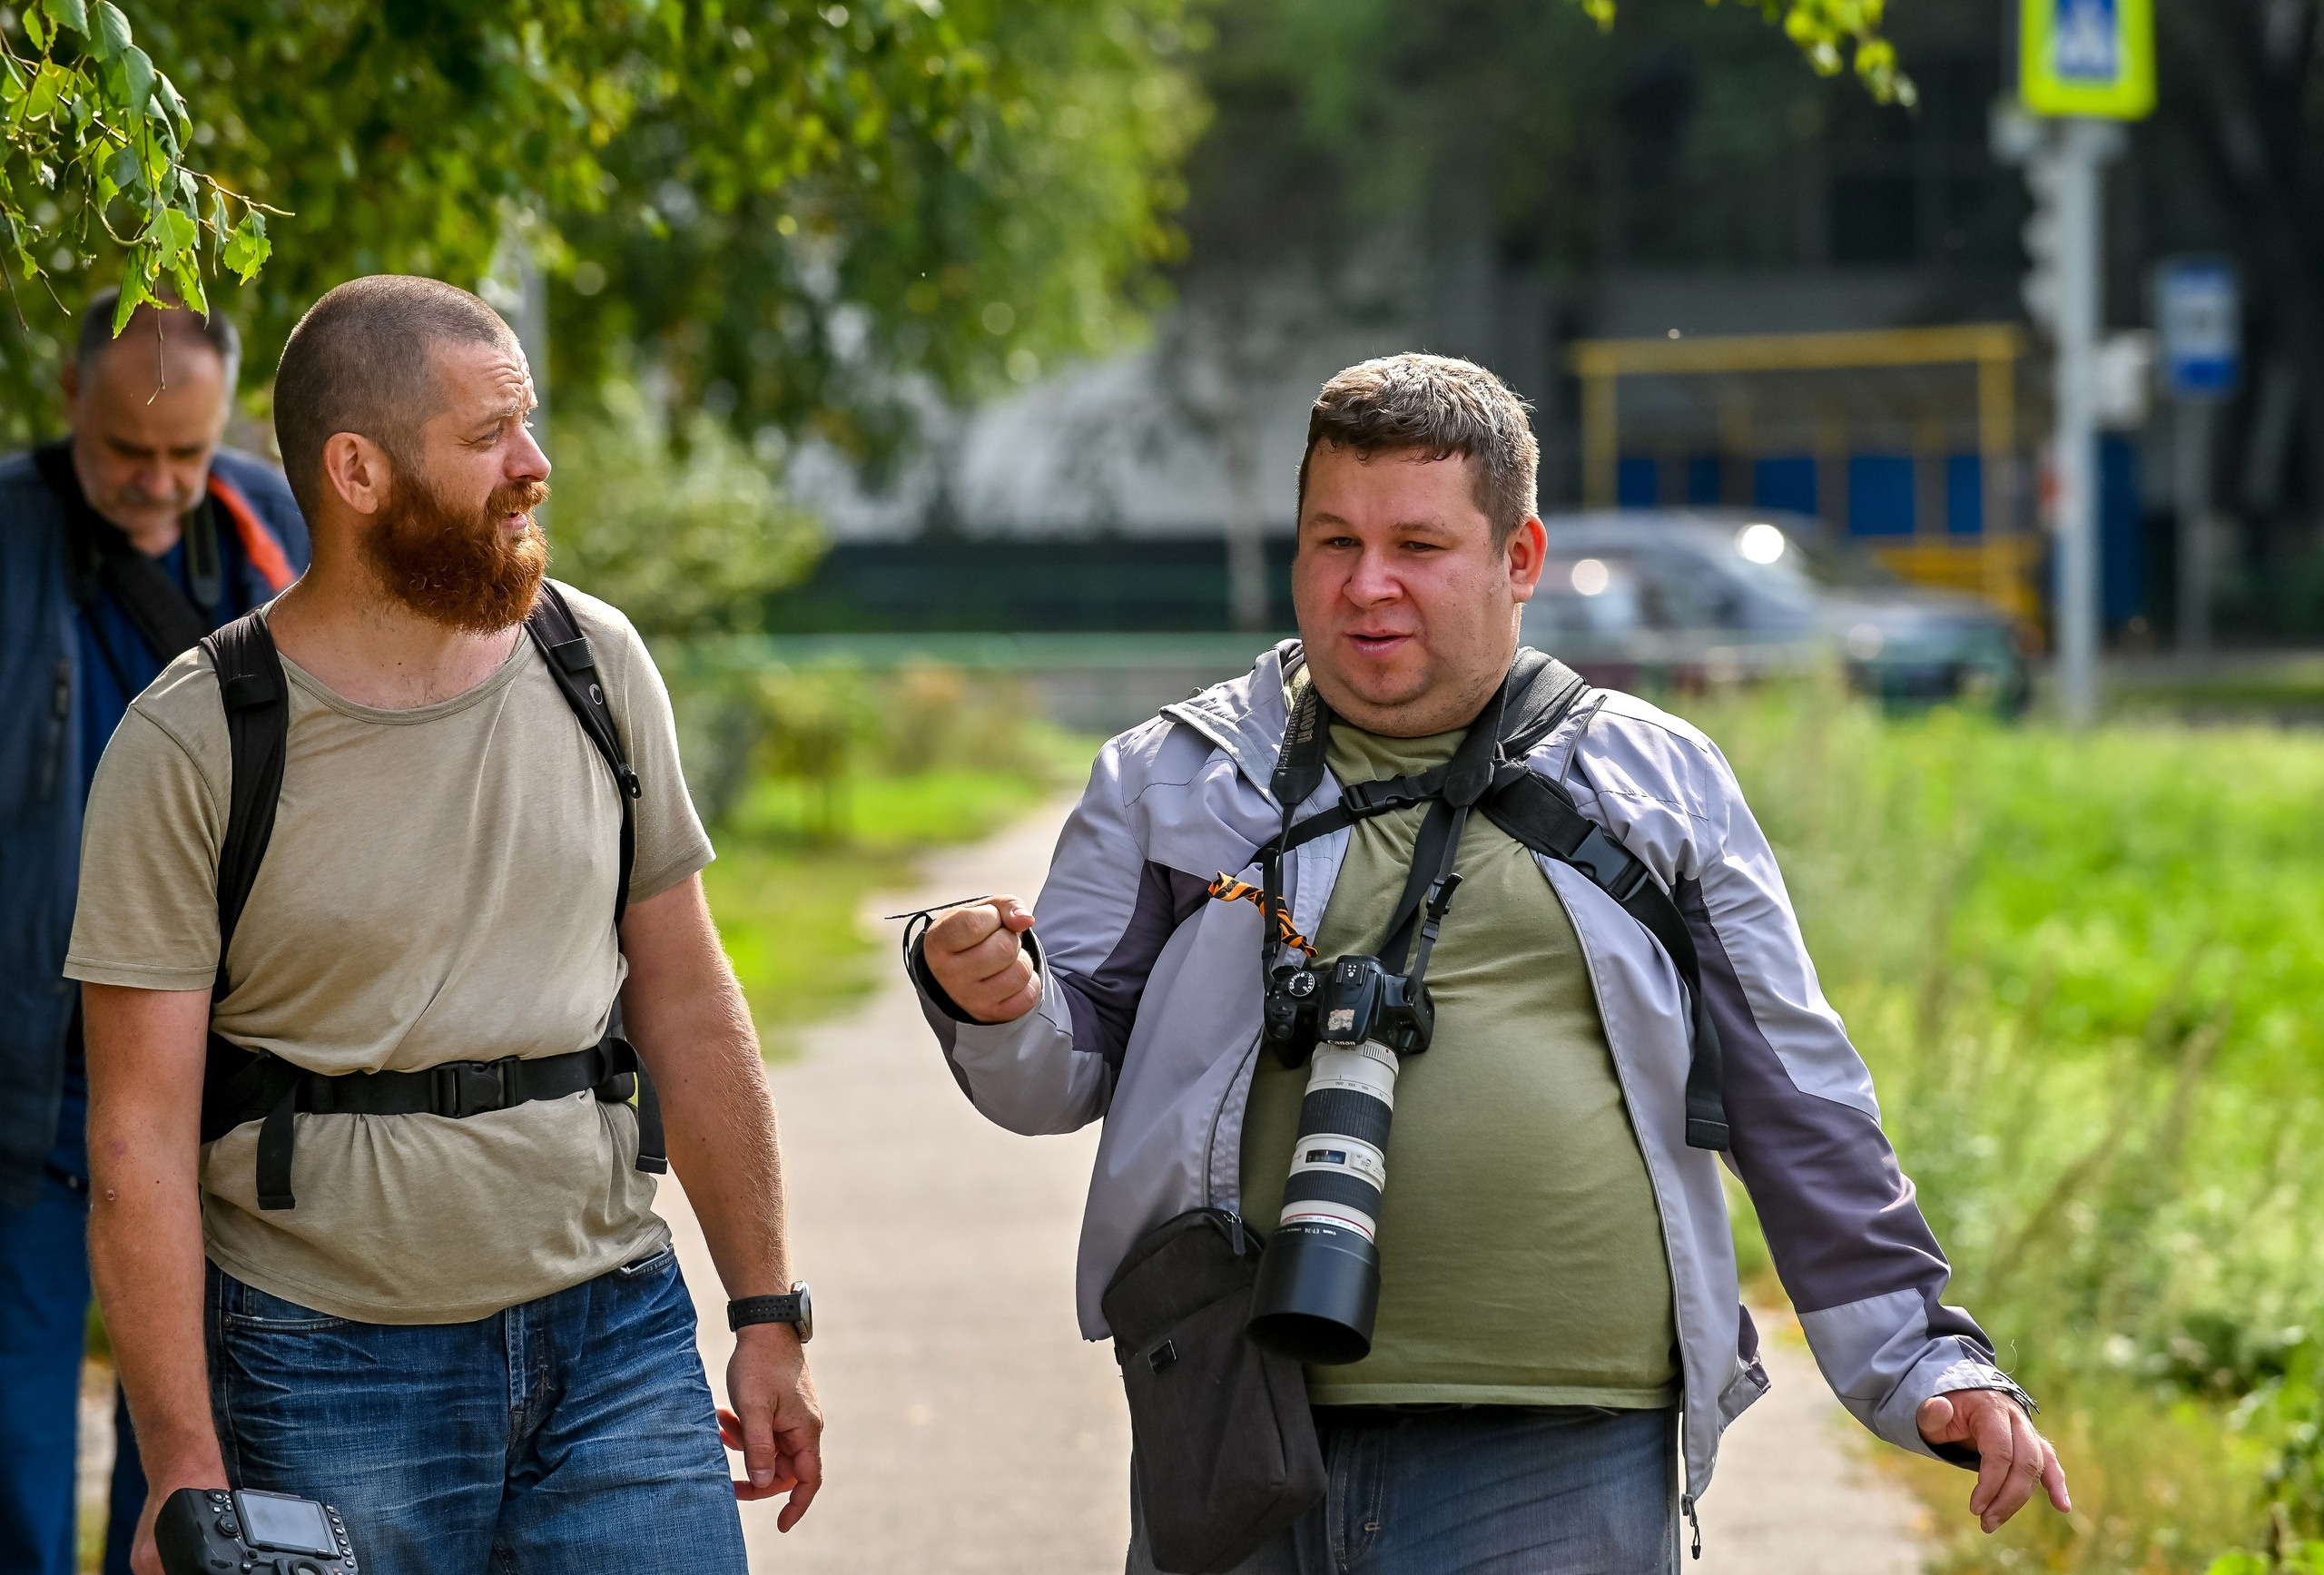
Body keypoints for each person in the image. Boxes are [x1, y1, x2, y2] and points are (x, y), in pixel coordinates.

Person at [910, 353, 2073, 1572]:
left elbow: (1798, 1095)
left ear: (1520, 560)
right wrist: (991, 1002)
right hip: (1239, 1419)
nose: (1369, 586)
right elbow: (1048, 1076)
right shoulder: (1170, 777)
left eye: (1417, 545)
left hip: (1558, 1447)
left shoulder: (1655, 780)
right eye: (1333, 542)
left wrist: (1921, 1362)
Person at [70, 274, 822, 1575]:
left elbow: (690, 1000)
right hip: (318, 1365)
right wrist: (180, 1465)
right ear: (358, 472)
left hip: (615, 1341)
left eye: (526, 425)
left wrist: (767, 1312)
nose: (534, 466)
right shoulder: (193, 740)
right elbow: (136, 1128)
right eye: (490, 437)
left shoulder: (599, 664)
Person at [0, 291, 309, 1575]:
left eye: (188, 454)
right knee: (12, 1426)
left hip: (215, 1069)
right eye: (133, 457)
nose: (162, 484)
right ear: (69, 399)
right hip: (27, 1073)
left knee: (188, 1438)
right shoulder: (8, 532)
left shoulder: (271, 522)